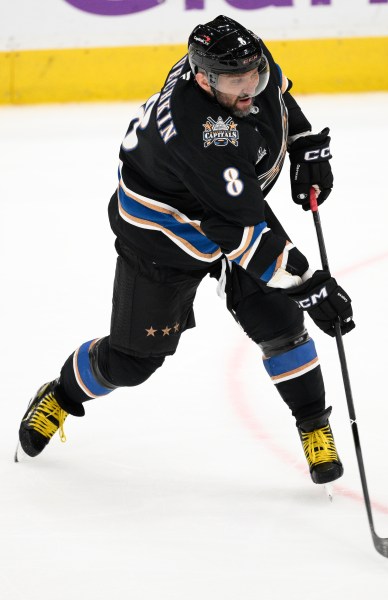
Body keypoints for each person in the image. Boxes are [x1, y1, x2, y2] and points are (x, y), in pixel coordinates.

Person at [16, 15, 355, 485]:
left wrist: (303, 142)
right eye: (237, 82)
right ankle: (61, 395)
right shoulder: (203, 131)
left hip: (228, 206)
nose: (249, 89)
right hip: (164, 233)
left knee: (281, 324)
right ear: (202, 79)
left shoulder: (239, 66)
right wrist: (310, 287)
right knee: (132, 362)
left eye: (253, 74)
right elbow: (238, 235)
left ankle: (314, 424)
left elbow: (276, 96)